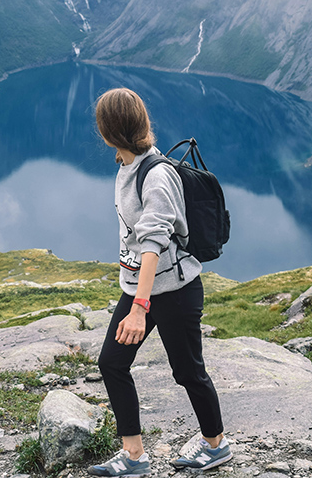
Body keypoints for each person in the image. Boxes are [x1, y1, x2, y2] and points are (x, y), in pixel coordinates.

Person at [88, 87, 231, 477]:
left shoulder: (157, 175)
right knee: (112, 363)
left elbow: (152, 242)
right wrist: (135, 294)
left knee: (188, 371)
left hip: (175, 292)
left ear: (109, 131)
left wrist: (139, 308)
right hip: (140, 288)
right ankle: (133, 456)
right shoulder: (127, 164)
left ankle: (215, 444)